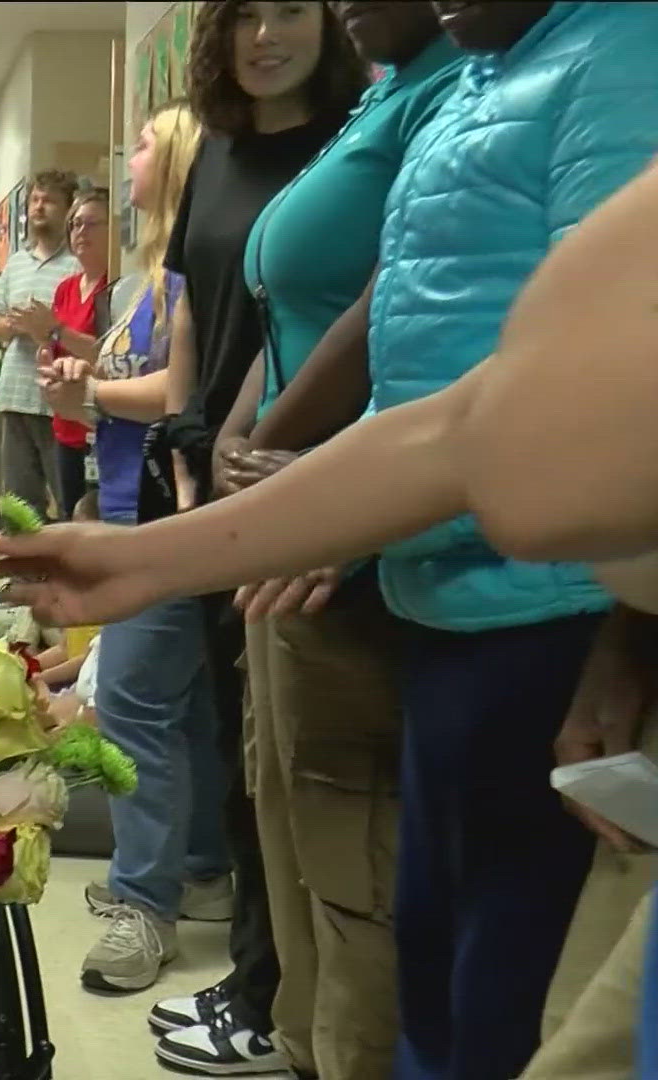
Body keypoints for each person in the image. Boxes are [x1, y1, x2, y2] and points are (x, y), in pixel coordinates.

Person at [0, 4, 658, 1074]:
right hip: (444, 595)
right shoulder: (472, 78)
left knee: (506, 1004)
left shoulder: (620, 60)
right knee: (436, 985)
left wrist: (628, 638)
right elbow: (447, 427)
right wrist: (148, 554)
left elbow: (519, 434)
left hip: (542, 620)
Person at [191, 4, 465, 1076]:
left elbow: (404, 318)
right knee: (286, 817)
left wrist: (316, 485)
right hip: (288, 514)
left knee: (354, 861)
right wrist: (239, 434)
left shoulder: (448, 95)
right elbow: (290, 314)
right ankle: (298, 1044)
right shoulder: (381, 102)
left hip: (355, 546)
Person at [135, 2, 365, 1069]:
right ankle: (256, 980)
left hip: (309, 469)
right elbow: (190, 304)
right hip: (210, 463)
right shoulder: (220, 155)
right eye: (244, 17)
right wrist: (187, 436)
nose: (266, 35)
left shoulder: (355, 139)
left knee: (291, 748)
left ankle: (279, 990)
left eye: (290, 11)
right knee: (238, 737)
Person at [34, 101, 229, 1010]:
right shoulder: (143, 280)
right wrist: (88, 373)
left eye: (147, 142)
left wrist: (100, 393)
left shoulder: (186, 269)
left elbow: (180, 395)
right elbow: (125, 374)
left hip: (162, 519)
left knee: (136, 706)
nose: (130, 153)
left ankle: (146, 903)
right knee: (178, 707)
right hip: (126, 507)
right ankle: (194, 868)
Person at [0, 170, 79, 519]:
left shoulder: (77, 264)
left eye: (49, 201)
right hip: (14, 394)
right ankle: (25, 572)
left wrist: (49, 327)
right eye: (35, 200)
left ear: (69, 210)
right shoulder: (16, 263)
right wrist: (14, 324)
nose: (39, 207)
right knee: (21, 502)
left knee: (67, 497)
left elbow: (85, 328)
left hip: (59, 397)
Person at [35, 188, 111, 519]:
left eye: (92, 224)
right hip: (65, 420)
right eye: (76, 224)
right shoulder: (67, 287)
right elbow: (52, 345)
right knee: (69, 513)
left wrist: (57, 330)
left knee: (96, 518)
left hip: (99, 418)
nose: (81, 232)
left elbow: (108, 353)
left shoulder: (116, 286)